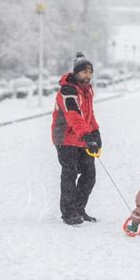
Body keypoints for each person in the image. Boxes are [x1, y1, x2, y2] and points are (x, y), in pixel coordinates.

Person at [51, 52, 102, 226]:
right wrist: (87, 135)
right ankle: (68, 213)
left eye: (90, 71)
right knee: (70, 174)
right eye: (84, 71)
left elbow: (88, 115)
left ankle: (79, 208)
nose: (87, 75)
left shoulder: (87, 90)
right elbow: (73, 115)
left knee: (90, 174)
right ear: (76, 73)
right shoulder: (68, 90)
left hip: (81, 137)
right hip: (65, 138)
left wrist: (95, 133)